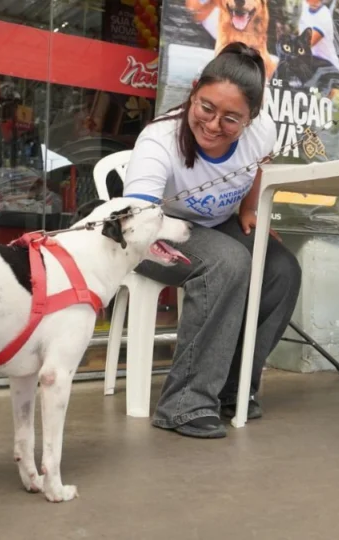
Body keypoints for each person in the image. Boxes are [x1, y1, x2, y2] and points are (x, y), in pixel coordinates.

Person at [123, 42, 301, 440]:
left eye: (231, 119)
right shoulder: (159, 141)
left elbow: (260, 165)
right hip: (152, 233)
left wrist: (249, 210)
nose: (214, 124)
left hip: (215, 226)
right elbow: (137, 222)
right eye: (206, 107)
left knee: (281, 271)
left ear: (251, 119)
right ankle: (184, 403)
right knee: (227, 261)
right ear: (192, 92)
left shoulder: (261, 133)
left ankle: (231, 389)